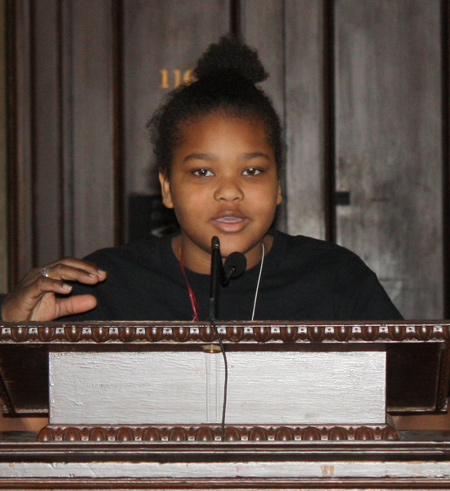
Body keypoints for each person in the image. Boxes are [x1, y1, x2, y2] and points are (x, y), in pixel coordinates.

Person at [0, 37, 402, 322]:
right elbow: (30, 422)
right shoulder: (102, 286)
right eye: (202, 171)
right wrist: (12, 334)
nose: (229, 190)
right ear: (167, 188)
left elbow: (419, 409)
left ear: (279, 185)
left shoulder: (335, 279)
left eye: (252, 170)